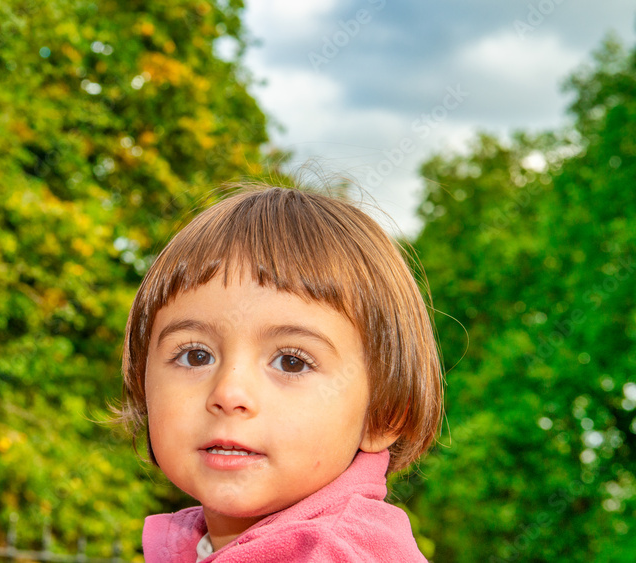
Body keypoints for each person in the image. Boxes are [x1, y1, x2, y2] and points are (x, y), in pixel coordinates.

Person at [115, 184, 443, 562]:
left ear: (382, 415)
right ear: (144, 384)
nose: (229, 392)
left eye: (292, 362)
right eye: (195, 356)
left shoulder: (332, 553)